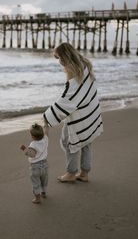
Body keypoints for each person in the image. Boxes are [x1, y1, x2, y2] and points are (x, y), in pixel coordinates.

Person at [43, 42, 103, 183]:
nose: (58, 61)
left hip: (80, 113)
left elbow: (68, 97)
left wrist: (48, 115)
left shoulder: (71, 69)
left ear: (64, 56)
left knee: (69, 140)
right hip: (89, 109)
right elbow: (79, 91)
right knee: (86, 140)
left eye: (58, 58)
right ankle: (84, 173)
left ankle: (71, 173)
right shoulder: (84, 64)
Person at [20, 123, 49, 204]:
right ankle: (44, 193)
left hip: (35, 167)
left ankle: (37, 198)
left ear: (32, 136)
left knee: (35, 182)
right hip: (45, 165)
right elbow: (46, 131)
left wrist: (24, 149)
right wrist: (46, 124)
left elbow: (32, 154)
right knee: (44, 180)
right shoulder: (45, 139)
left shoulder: (33, 144)